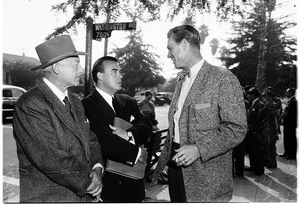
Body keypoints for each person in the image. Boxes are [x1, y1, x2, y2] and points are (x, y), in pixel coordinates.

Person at [152, 25, 247, 202]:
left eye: (170, 48)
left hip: (207, 181)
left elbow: (237, 128)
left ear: (185, 44)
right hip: (176, 172)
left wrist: (199, 148)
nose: (168, 54)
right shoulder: (180, 80)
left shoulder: (223, 78)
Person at [12, 35, 104, 202]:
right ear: (56, 68)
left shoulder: (75, 101)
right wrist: (91, 183)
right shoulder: (30, 104)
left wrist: (97, 167)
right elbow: (50, 158)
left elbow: (90, 139)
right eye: (75, 64)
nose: (81, 70)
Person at [82, 56, 152, 202]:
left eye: (120, 71)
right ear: (100, 76)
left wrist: (129, 135)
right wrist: (138, 153)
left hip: (134, 182)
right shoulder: (86, 105)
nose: (120, 75)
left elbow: (146, 125)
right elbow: (104, 141)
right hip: (108, 187)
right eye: (114, 71)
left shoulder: (128, 101)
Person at [246, 87, 269, 175]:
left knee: (259, 151)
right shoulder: (252, 104)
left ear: (253, 95)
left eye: (250, 94)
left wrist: (256, 130)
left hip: (258, 133)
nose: (248, 96)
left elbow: (262, 121)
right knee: (252, 150)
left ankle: (259, 170)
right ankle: (253, 166)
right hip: (252, 132)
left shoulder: (260, 105)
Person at [261, 88, 281, 168]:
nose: (266, 97)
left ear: (270, 96)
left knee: (271, 145)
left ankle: (272, 162)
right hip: (266, 127)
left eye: (267, 95)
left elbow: (273, 114)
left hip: (271, 127)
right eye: (265, 96)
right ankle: (267, 161)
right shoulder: (265, 103)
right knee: (266, 146)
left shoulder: (273, 104)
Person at [280, 88, 297, 160]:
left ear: (291, 93)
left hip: (291, 124)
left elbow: (290, 113)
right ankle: (287, 152)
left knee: (291, 139)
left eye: (287, 92)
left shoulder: (294, 101)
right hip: (287, 123)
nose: (285, 93)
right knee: (287, 138)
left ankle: (291, 154)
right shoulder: (290, 101)